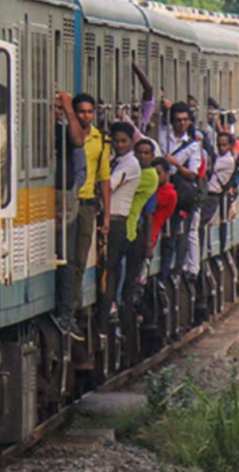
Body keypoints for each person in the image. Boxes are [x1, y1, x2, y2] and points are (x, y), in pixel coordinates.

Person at [56, 93, 111, 336]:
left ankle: (74, 307)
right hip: (68, 201)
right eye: (81, 112)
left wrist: (106, 215)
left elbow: (104, 178)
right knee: (67, 258)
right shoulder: (69, 135)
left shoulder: (101, 139)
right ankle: (67, 311)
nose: (86, 116)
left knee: (79, 259)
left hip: (88, 203)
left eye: (90, 112)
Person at [99, 121, 141, 335]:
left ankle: (109, 309)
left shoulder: (130, 164)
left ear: (131, 142)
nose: (119, 145)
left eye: (123, 141)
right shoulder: (115, 160)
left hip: (117, 222)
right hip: (111, 220)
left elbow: (109, 184)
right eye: (115, 141)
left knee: (110, 269)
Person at [120, 138, 159, 365]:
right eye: (139, 152)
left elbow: (149, 214)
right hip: (132, 234)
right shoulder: (138, 172)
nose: (142, 156)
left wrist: (149, 243)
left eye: (147, 153)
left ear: (152, 156)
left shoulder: (147, 177)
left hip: (134, 235)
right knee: (130, 286)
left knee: (130, 287)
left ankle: (132, 332)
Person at [157, 101, 202, 281]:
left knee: (175, 232)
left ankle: (171, 271)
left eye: (185, 120)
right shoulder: (163, 135)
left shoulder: (192, 146)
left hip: (177, 194)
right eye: (178, 120)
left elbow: (192, 174)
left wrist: (174, 164)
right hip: (157, 189)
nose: (181, 124)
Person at [54, 91, 86, 340]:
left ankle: (66, 313)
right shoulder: (35, 128)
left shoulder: (66, 130)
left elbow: (77, 140)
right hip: (47, 197)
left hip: (62, 198)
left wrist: (69, 111)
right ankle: (64, 313)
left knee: (68, 257)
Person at [200, 132, 236, 256]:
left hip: (212, 196)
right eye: (219, 145)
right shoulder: (219, 157)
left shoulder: (228, 160)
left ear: (231, 146)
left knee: (201, 224)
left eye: (224, 145)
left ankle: (201, 252)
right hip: (206, 195)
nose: (221, 148)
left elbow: (210, 166)